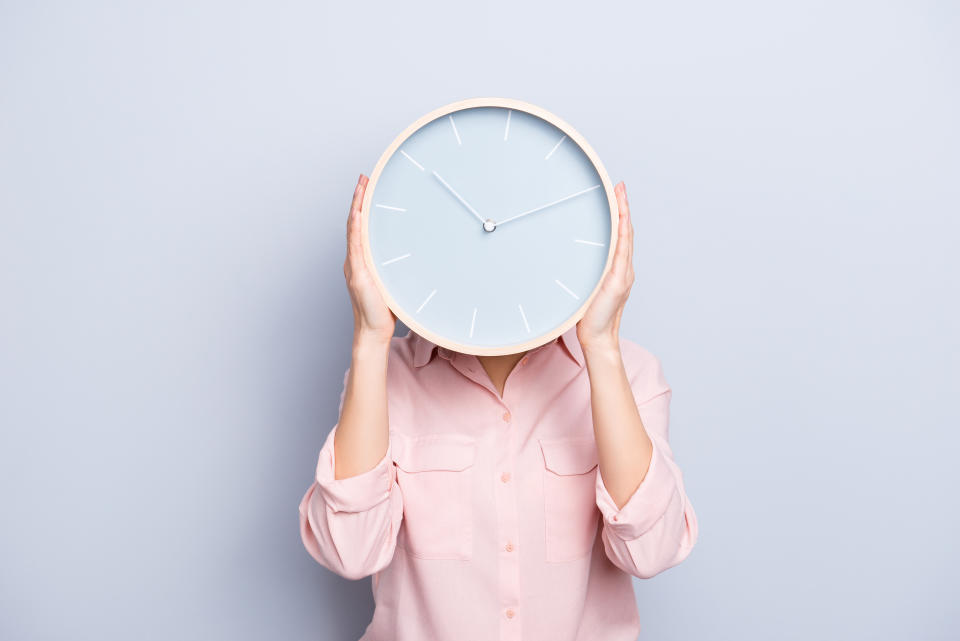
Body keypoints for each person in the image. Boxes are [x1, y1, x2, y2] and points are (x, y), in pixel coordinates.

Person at [298, 174, 699, 640]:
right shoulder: (386, 378)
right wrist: (369, 337)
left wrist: (601, 346)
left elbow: (651, 552)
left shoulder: (628, 372)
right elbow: (352, 551)